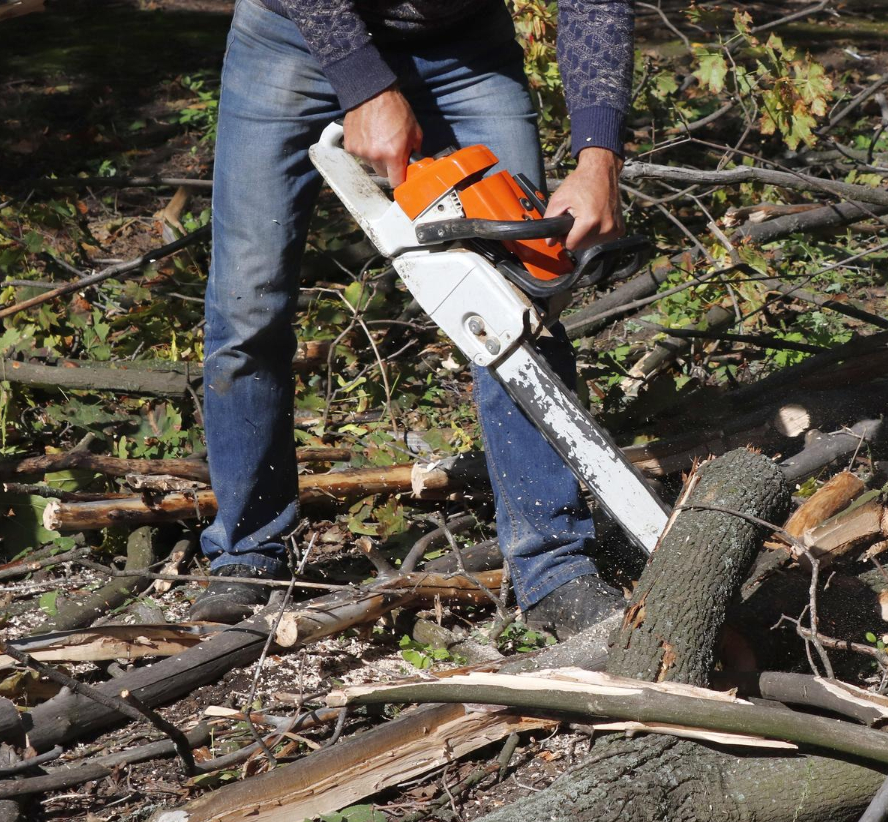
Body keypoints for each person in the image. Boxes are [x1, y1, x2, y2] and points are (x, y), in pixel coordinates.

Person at [190, 0, 633, 636]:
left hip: (465, 52)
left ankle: (554, 566)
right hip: (290, 40)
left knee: (521, 298)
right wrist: (362, 79)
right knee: (248, 304)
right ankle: (247, 552)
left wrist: (600, 159)